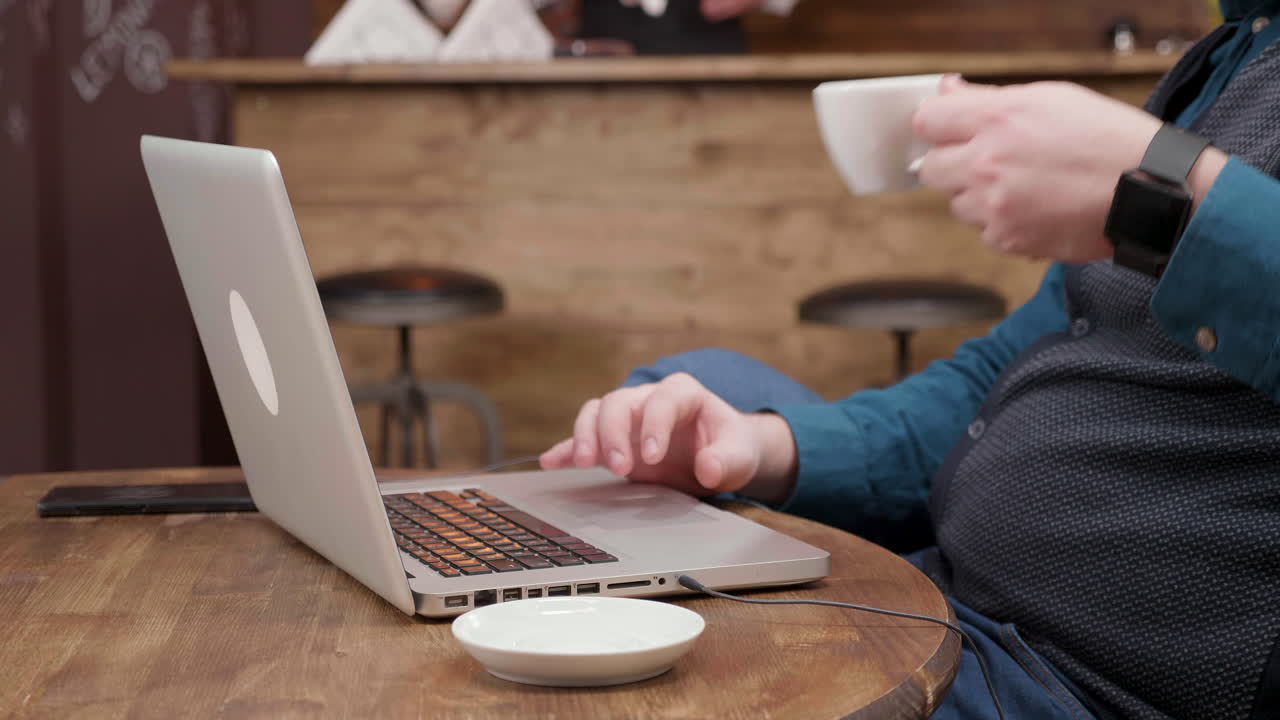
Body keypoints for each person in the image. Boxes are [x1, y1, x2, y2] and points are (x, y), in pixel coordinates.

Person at [540, 2, 1280, 718]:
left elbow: (1181, 203)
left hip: (1076, 678)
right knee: (686, 393)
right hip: (942, 585)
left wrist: (1172, 199)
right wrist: (765, 448)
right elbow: (1002, 373)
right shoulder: (1231, 54)